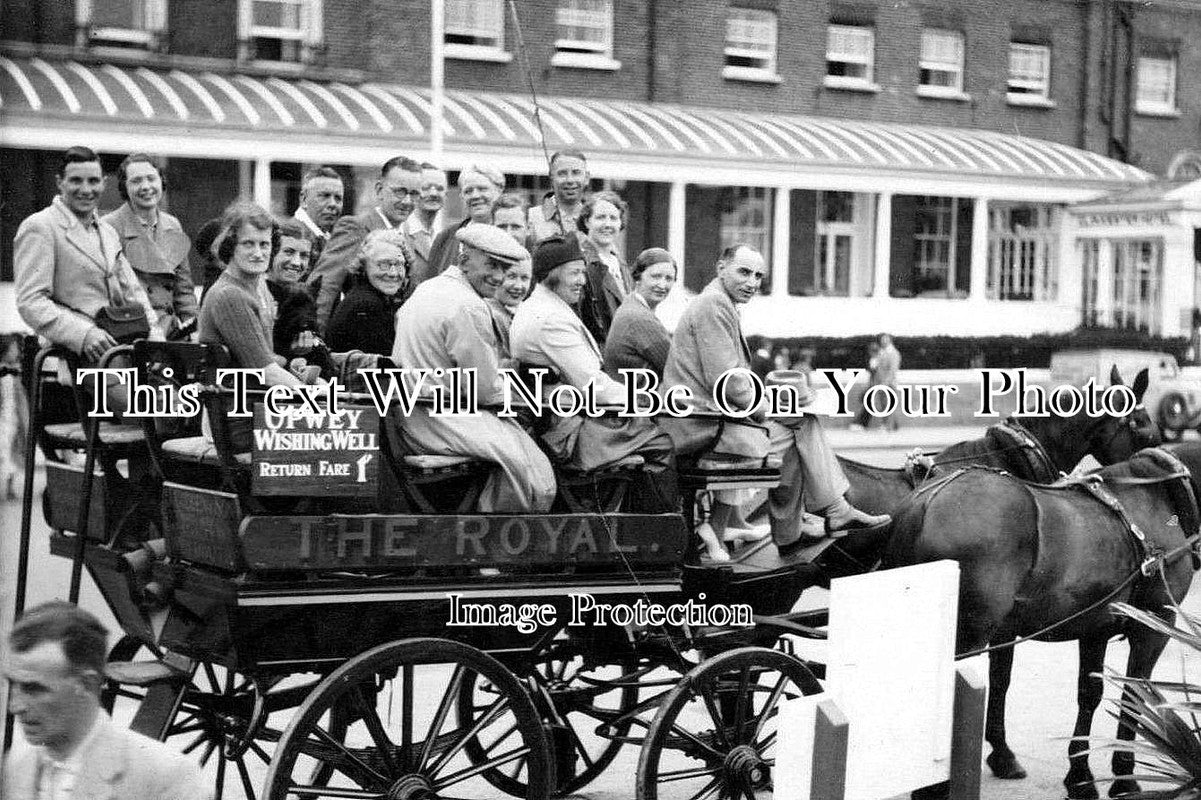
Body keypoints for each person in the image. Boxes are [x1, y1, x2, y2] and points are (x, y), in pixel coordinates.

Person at [661, 245, 889, 561]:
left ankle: (800, 526)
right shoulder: (712, 306)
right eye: (744, 272)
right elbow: (728, 381)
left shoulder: (717, 303)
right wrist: (772, 407)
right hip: (701, 426)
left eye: (758, 276)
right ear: (721, 267)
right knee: (800, 423)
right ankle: (825, 514)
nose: (752, 282)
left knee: (796, 423)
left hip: (709, 418)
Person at [391, 223, 555, 513]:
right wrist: (526, 396)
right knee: (537, 474)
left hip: (411, 417)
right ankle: (495, 540)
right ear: (464, 260)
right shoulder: (469, 306)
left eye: (505, 268)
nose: (499, 277)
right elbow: (484, 389)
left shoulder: (427, 289)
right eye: (492, 265)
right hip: (442, 422)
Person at [511, 235, 676, 509]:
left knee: (647, 429)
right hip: (568, 432)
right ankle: (660, 537)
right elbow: (594, 387)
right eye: (574, 273)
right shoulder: (551, 319)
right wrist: (647, 400)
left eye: (582, 273)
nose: (582, 281)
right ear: (552, 275)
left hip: (557, 420)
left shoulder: (540, 307)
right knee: (660, 443)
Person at [2, 601, 210, 800]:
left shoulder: (170, 779)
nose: (15, 706)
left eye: (35, 689)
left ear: (86, 684)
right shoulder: (20, 764)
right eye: (14, 684)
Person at [14, 146, 159, 415]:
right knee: (156, 418)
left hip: (125, 352)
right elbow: (30, 301)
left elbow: (134, 293)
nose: (85, 189)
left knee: (181, 411)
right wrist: (84, 334)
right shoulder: (40, 227)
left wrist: (156, 341)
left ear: (104, 183)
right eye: (76, 180)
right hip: (85, 361)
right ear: (60, 182)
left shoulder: (105, 230)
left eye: (93, 181)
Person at [199, 202, 307, 449]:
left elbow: (263, 359)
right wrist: (318, 399)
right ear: (230, 246)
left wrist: (296, 370)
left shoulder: (257, 288)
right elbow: (266, 372)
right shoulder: (230, 295)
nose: (258, 253)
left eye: (264, 244)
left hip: (256, 410)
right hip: (240, 424)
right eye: (248, 244)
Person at [308, 156, 423, 329]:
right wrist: (314, 340)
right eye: (400, 191)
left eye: (414, 194)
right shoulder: (355, 227)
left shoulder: (408, 238)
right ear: (379, 190)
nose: (407, 201)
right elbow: (324, 286)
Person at [102, 153, 196, 340]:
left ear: (161, 181)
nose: (146, 187)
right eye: (136, 181)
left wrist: (192, 326)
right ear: (124, 187)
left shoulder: (172, 224)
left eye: (151, 179)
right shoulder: (110, 226)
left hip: (172, 332)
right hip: (133, 331)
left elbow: (183, 288)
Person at [327, 228, 410, 356]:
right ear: (364, 266)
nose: (394, 273)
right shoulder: (366, 305)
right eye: (384, 264)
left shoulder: (375, 298)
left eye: (399, 265)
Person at [603, 247, 675, 380]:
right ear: (638, 277)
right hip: (636, 397)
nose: (662, 285)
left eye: (669, 279)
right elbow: (677, 367)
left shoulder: (631, 304)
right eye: (656, 276)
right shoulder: (639, 317)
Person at [426, 164, 505, 277]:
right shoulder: (445, 238)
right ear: (462, 196)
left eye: (482, 189)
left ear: (499, 191)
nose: (475, 195)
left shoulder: (511, 232)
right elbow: (430, 284)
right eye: (468, 191)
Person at [577, 191, 632, 347]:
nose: (607, 224)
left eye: (613, 218)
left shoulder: (621, 264)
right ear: (587, 221)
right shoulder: (580, 262)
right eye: (601, 217)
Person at [264, 220, 321, 363]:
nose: (296, 262)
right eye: (288, 252)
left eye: (304, 256)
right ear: (271, 252)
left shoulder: (305, 294)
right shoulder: (257, 292)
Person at [488, 194, 533, 352]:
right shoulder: (480, 271)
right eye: (502, 227)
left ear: (528, 228)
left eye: (515, 227)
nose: (508, 233)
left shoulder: (538, 268)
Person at [528, 149, 590, 244]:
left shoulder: (595, 219)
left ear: (587, 178)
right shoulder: (532, 218)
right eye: (562, 173)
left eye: (576, 173)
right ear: (551, 177)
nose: (569, 180)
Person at [402, 163, 447, 291]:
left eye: (439, 188)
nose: (433, 193)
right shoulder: (401, 232)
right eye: (426, 188)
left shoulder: (442, 237)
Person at [291, 166, 344, 266]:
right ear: (304, 199)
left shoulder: (327, 237)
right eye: (324, 196)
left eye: (338, 198)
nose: (333, 204)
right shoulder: (292, 236)